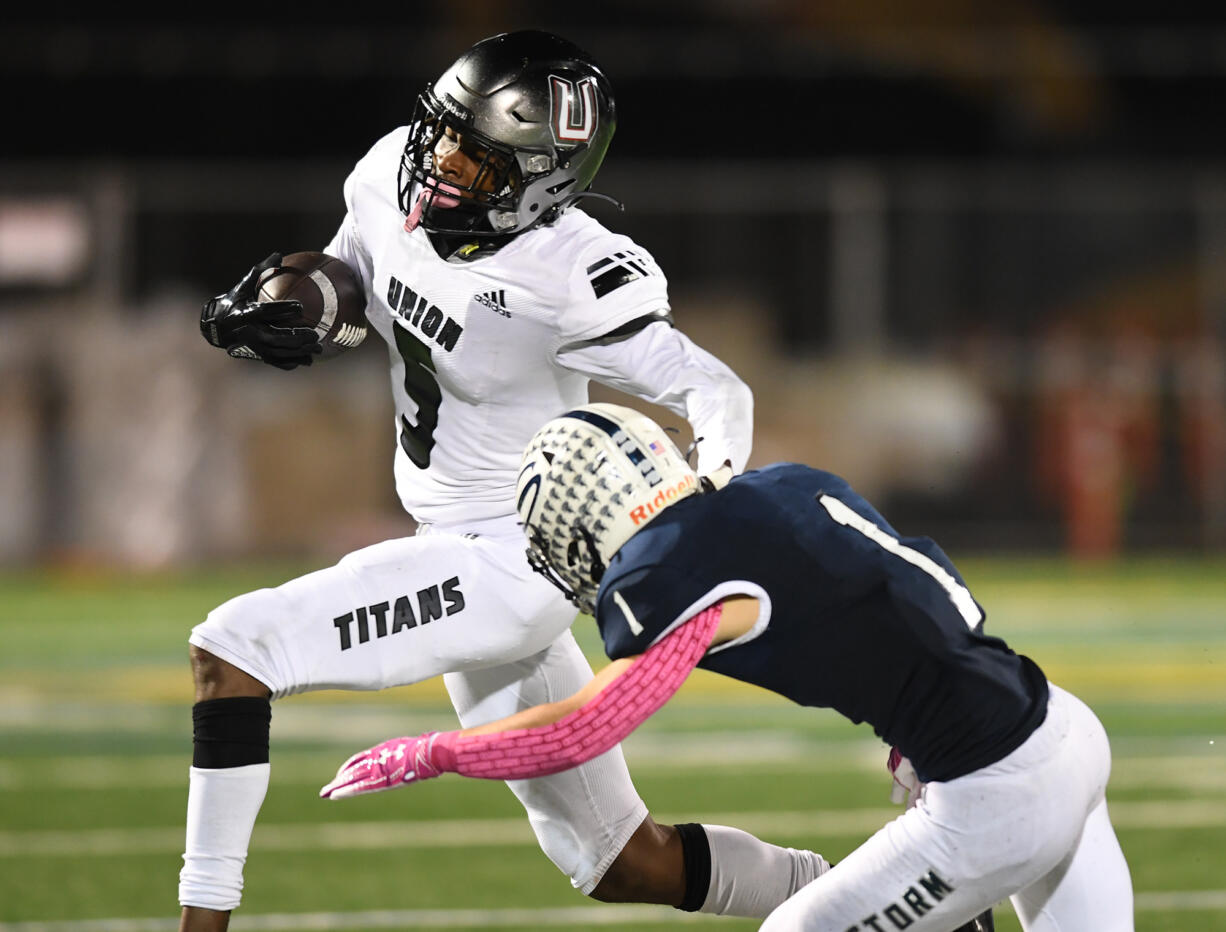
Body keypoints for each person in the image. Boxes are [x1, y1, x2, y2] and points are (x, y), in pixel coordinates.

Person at [182, 30, 834, 931]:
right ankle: (863, 899)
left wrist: (707, 499)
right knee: (619, 861)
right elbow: (351, 276)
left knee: (235, 649)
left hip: (514, 562)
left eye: (478, 160)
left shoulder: (568, 272)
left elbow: (711, 386)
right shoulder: (387, 177)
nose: (440, 165)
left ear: (543, 184)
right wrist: (302, 305)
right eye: (441, 134)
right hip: (442, 540)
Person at [320, 403, 1136, 931]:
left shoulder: (663, 571)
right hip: (1061, 726)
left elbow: (587, 725)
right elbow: (919, 572)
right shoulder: (775, 486)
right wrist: (922, 708)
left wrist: (434, 751)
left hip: (998, 794)